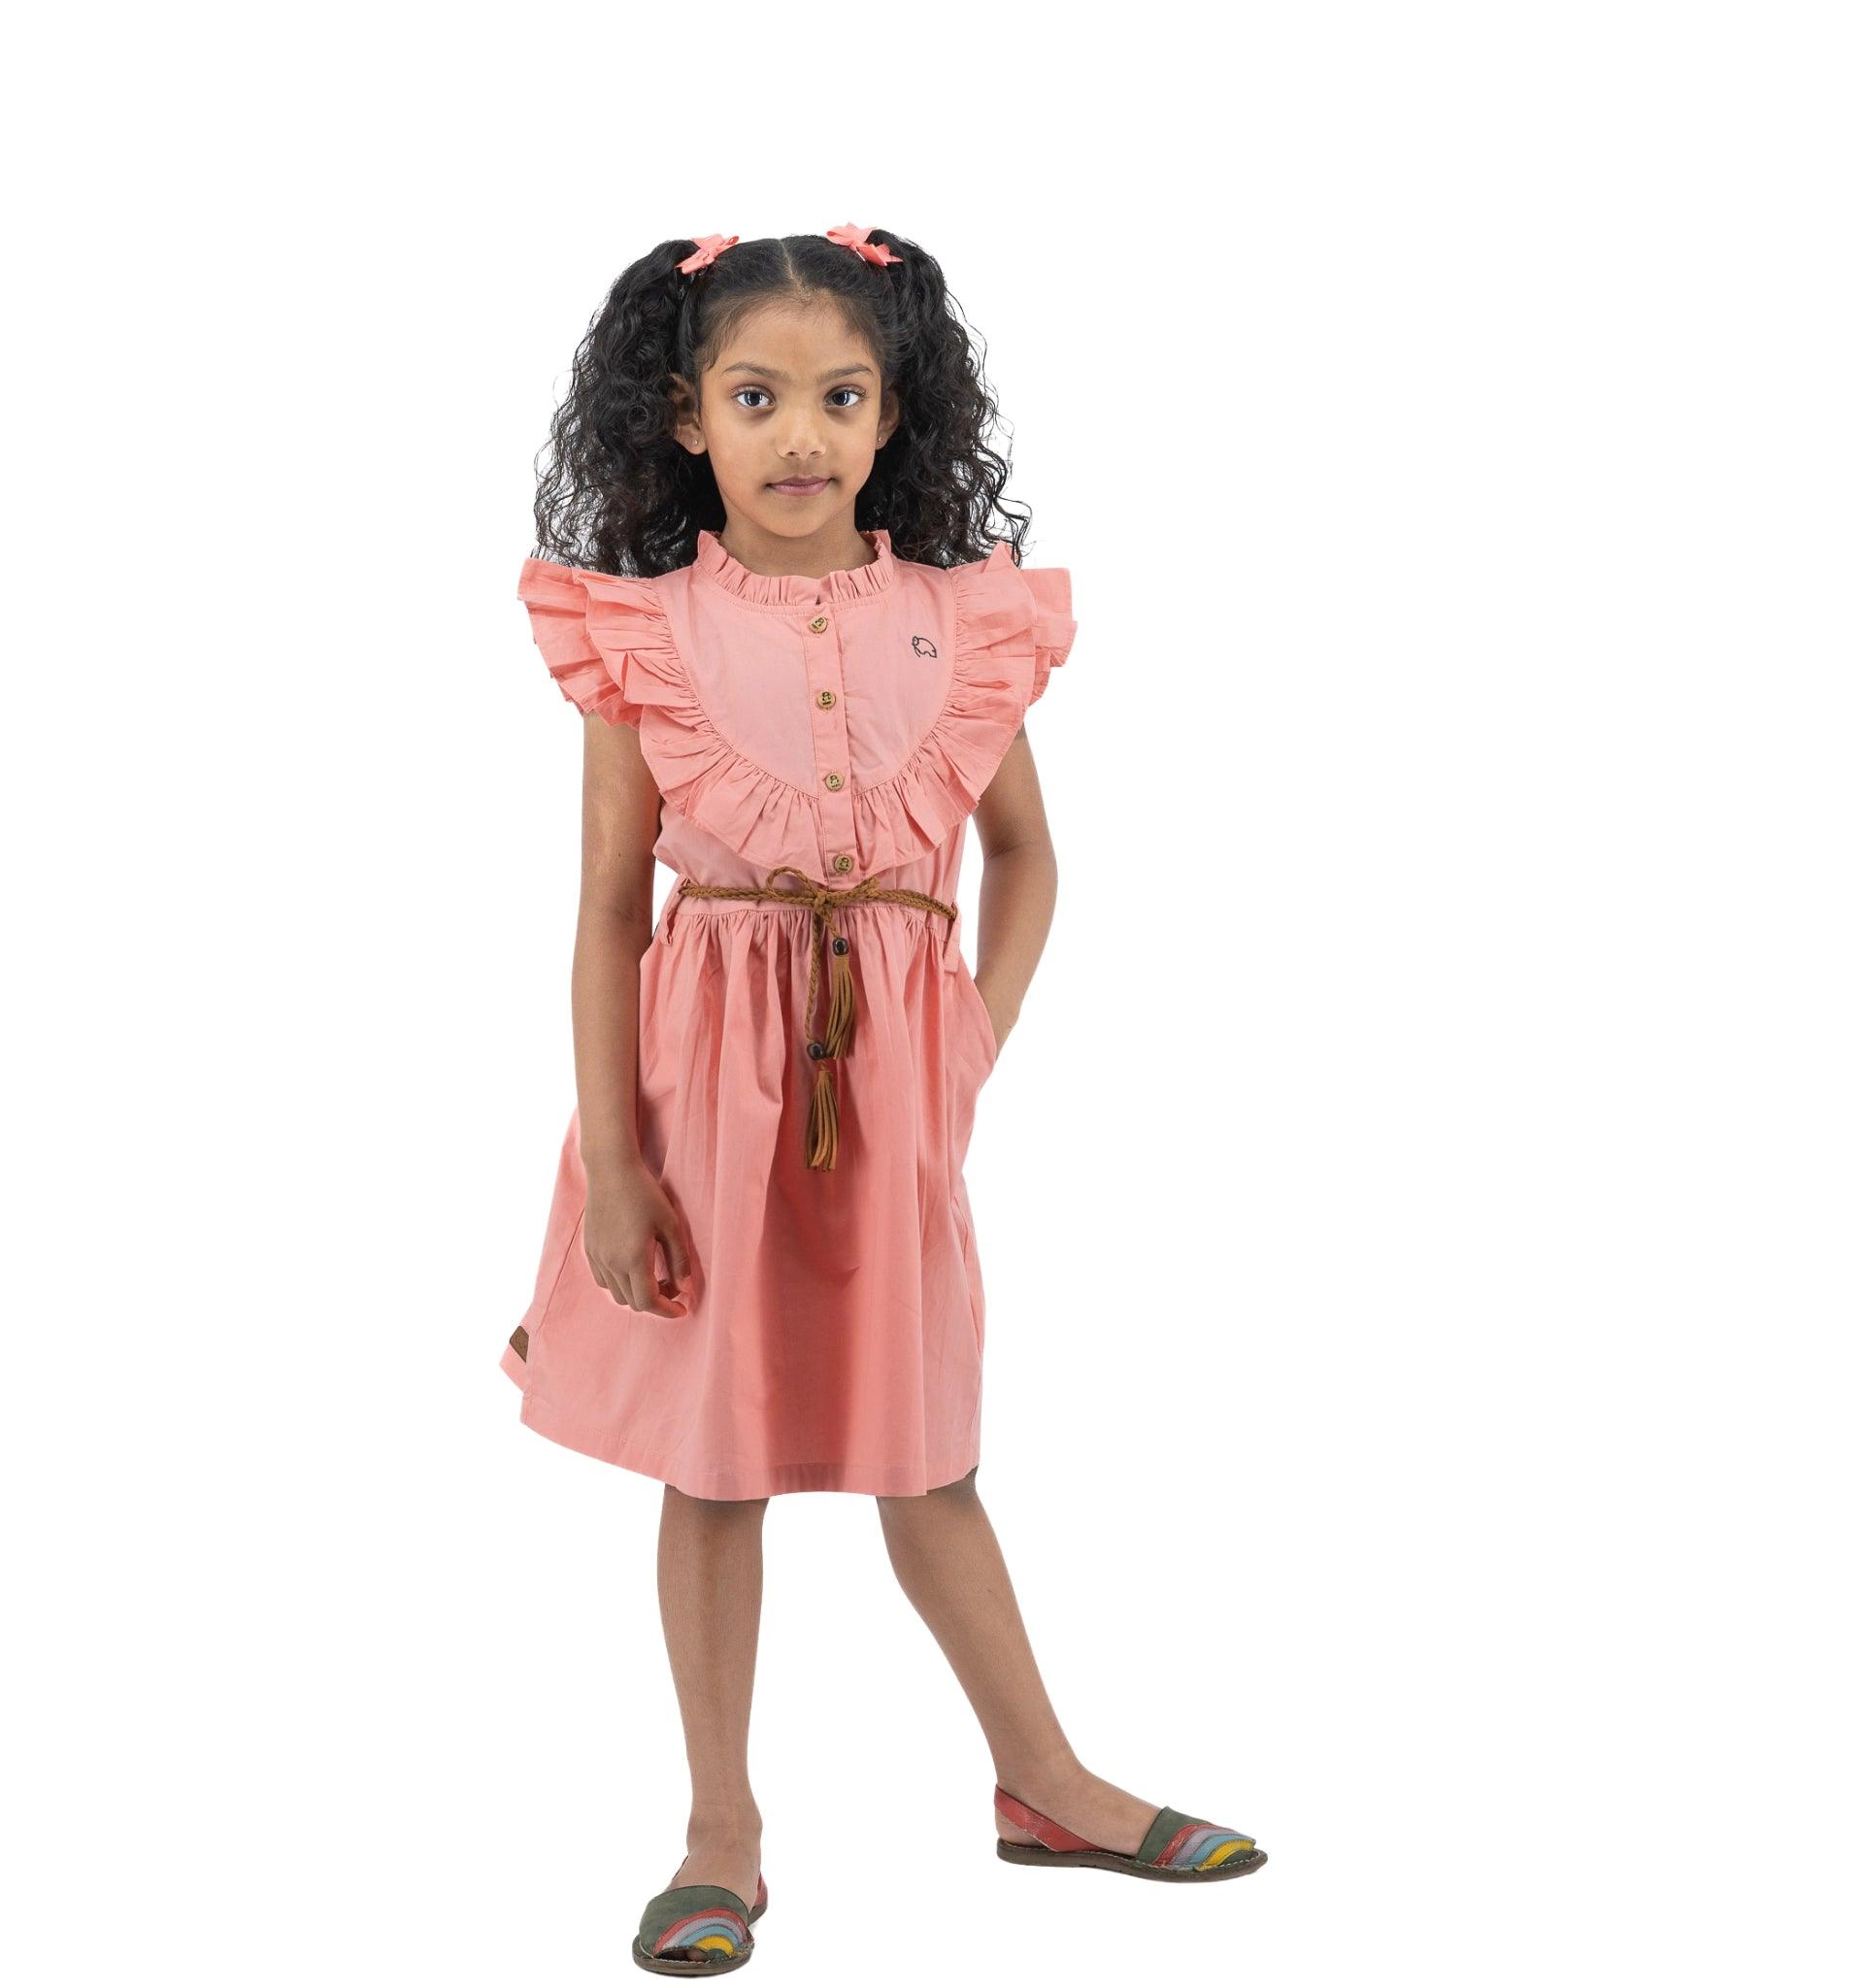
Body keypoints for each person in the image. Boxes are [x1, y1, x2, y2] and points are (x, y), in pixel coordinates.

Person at [498, 223, 1266, 1975]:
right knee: (716, 1469)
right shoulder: (645, 633)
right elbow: (612, 910)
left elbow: (1030, 858)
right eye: (754, 396)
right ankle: (721, 1831)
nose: (800, 436)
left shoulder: (957, 620)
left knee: (932, 1455)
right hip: (707, 1087)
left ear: (892, 411)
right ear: (683, 415)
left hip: (900, 1085)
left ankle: (1044, 1779)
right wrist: (617, 1163)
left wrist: (972, 1039)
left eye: (839, 396)